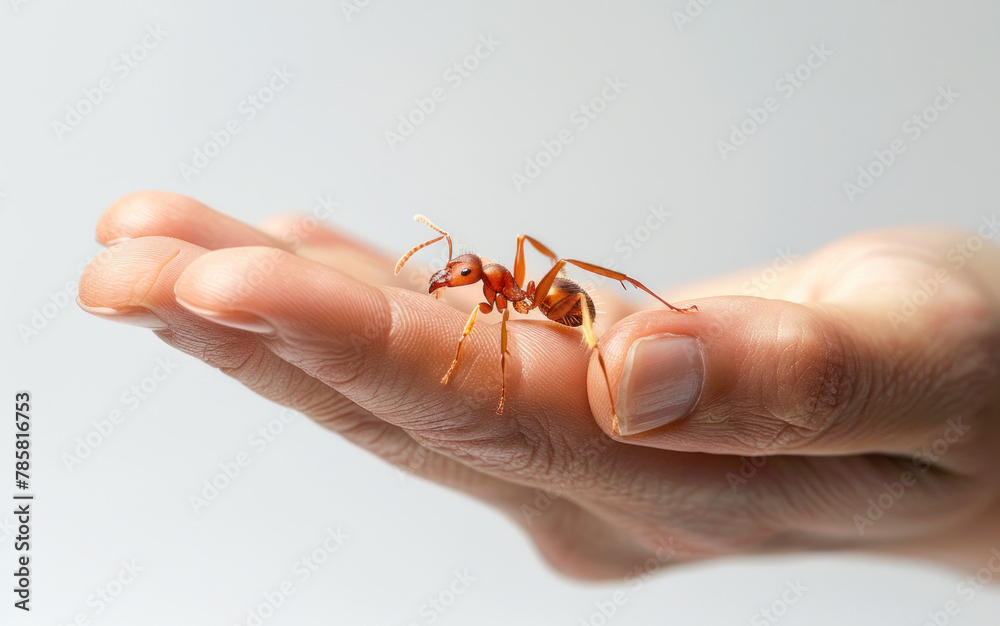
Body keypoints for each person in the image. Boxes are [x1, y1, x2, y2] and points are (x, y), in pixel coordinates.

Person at [78, 190, 1000, 577]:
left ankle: (638, 307)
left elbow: (509, 304)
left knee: (506, 342)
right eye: (447, 277)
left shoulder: (521, 289)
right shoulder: (481, 286)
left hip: (576, 307)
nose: (451, 284)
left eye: (453, 275)